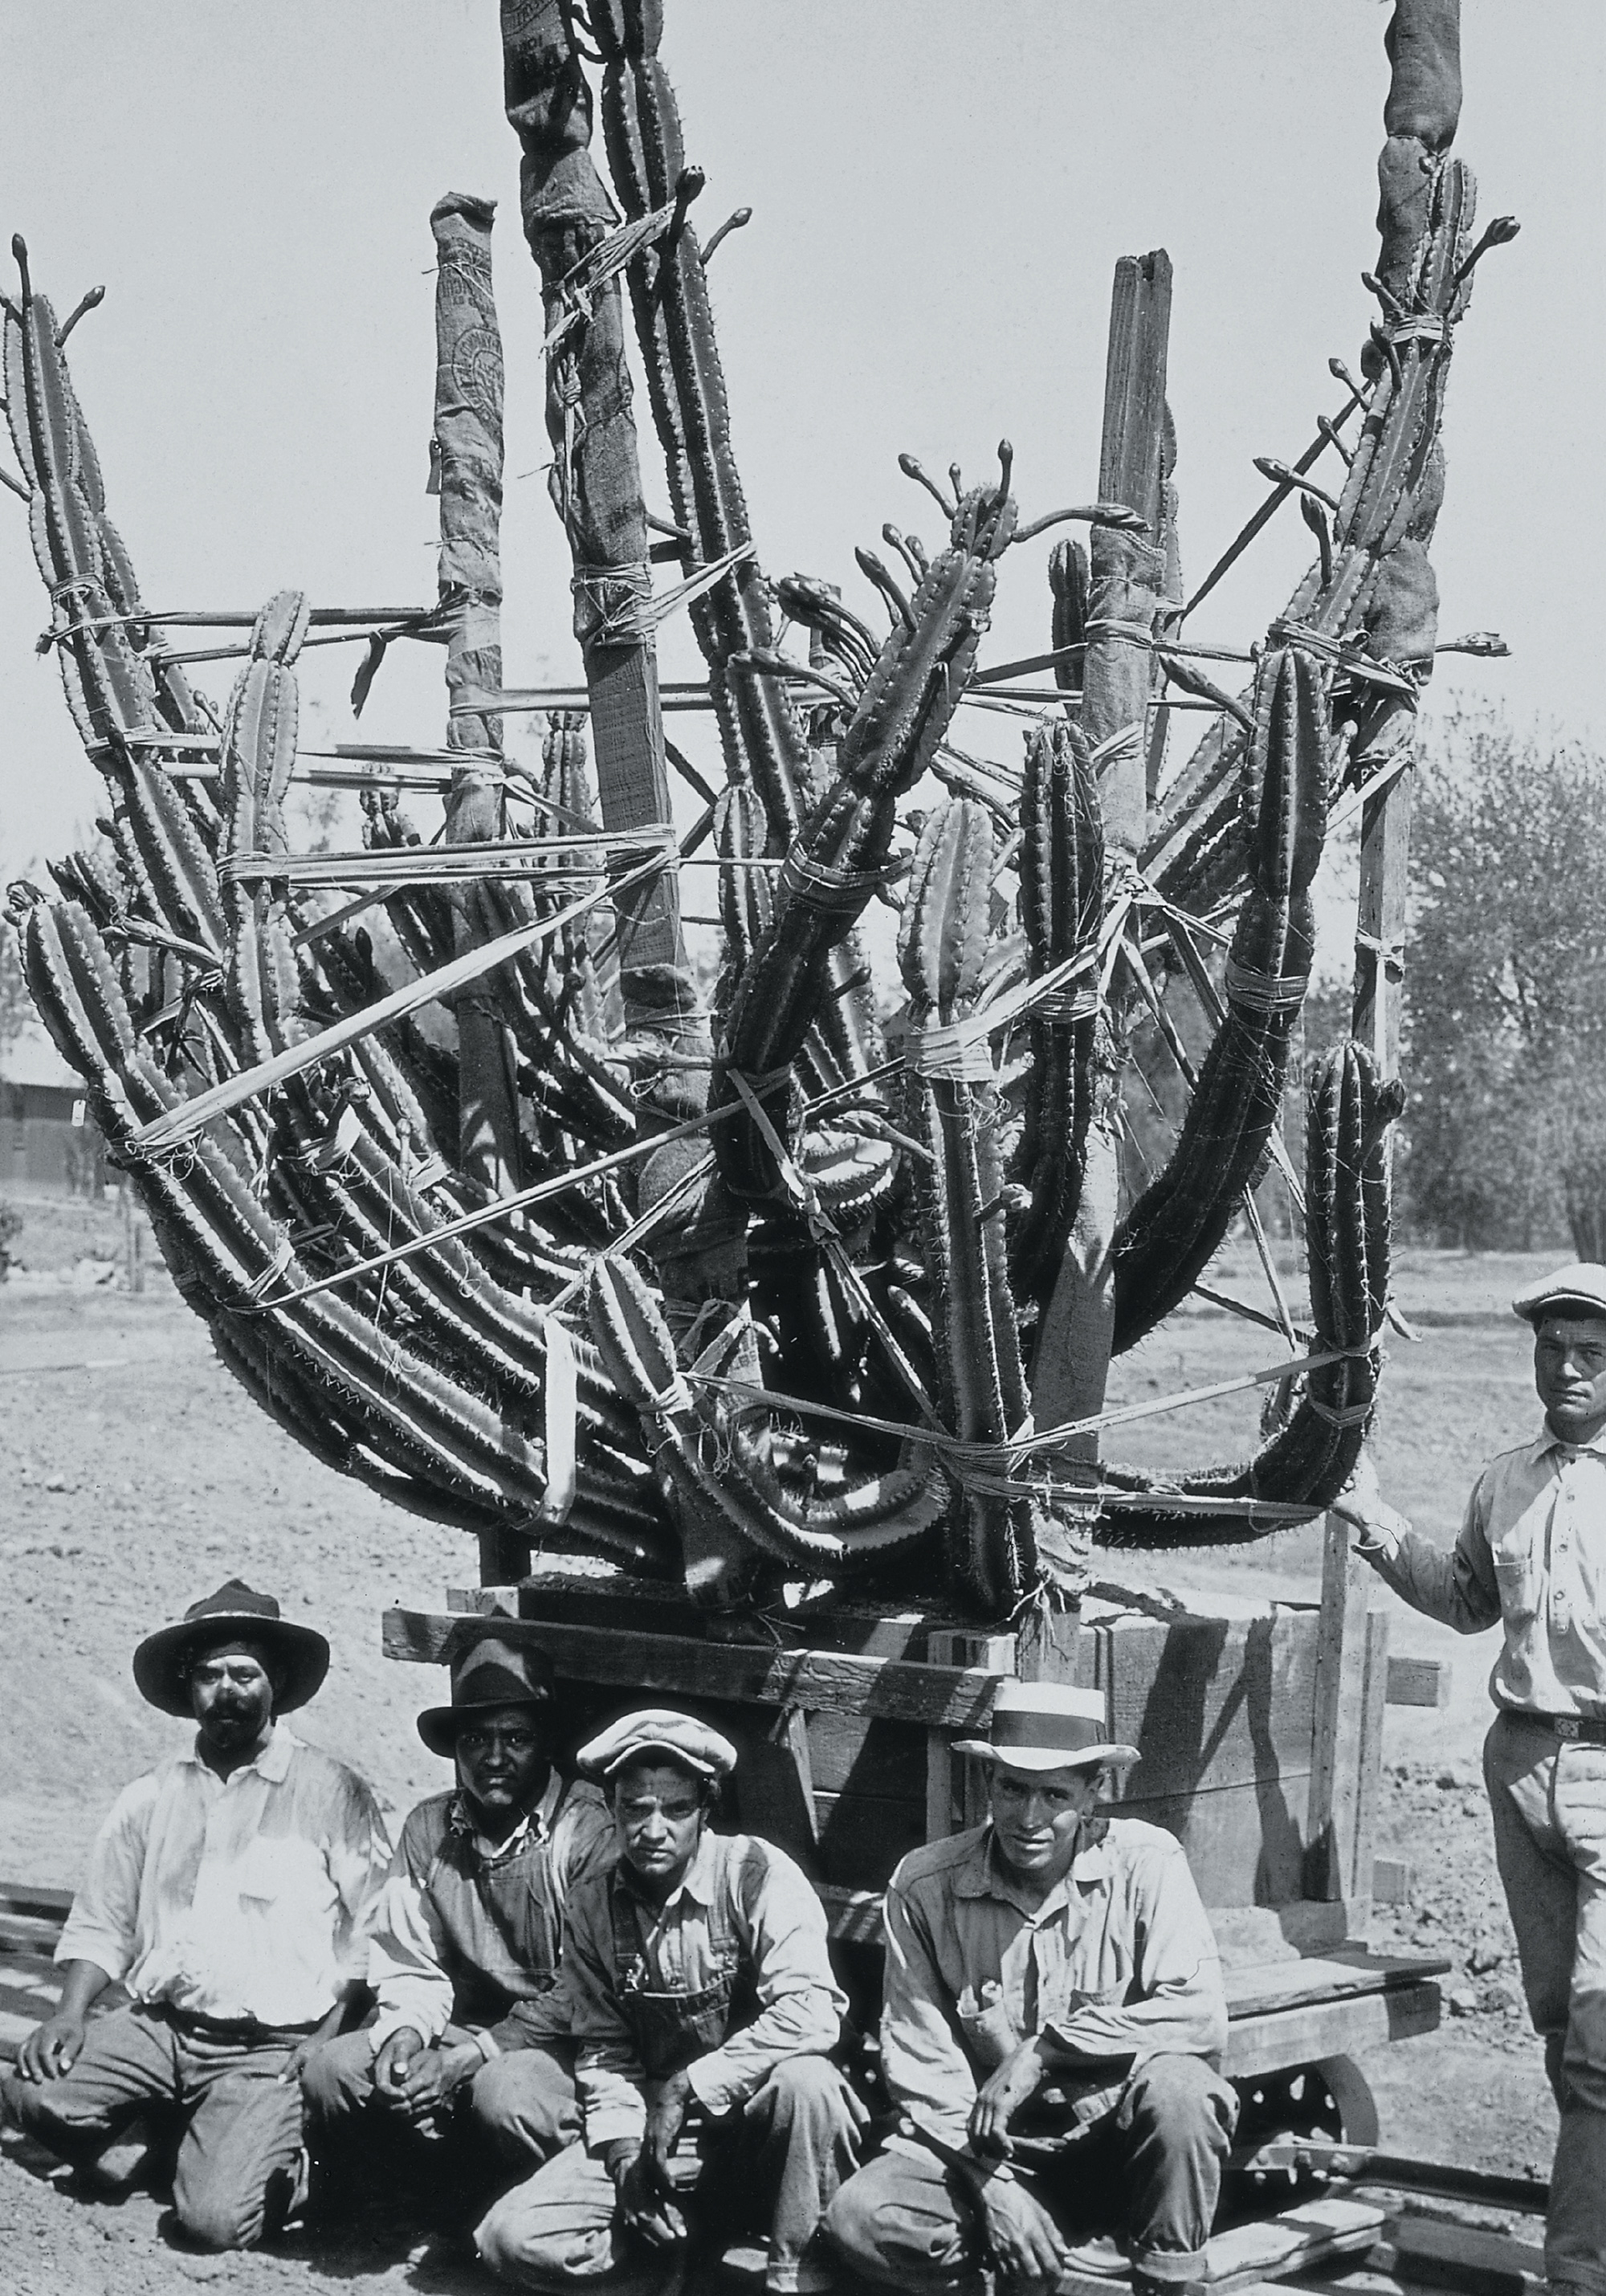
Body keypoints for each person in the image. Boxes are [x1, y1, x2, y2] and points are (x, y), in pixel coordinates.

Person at [1335, 1260, 1606, 2296]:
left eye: (1589, 1353)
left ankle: (1577, 2271)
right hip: (1520, 1768)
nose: (1568, 1369)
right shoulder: (1505, 1480)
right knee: (1557, 2023)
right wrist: (1368, 1513)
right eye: (1552, 1349)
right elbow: (1458, 1599)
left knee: (1596, 2030)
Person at [2, 1579, 389, 2252]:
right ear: (188, 1688)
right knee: (34, 2093)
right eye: (209, 1674)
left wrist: (325, 2037)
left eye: (245, 1672)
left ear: (276, 1683)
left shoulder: (331, 1790)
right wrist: (67, 2013)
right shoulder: (151, 1794)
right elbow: (103, 1920)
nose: (227, 1690)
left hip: (273, 2045)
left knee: (211, 2221)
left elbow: (380, 1934)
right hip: (165, 2029)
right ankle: (172, 2133)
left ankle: (298, 2160)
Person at [825, 1681, 1234, 2296]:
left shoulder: (1147, 1862)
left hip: (1110, 2137)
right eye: (1012, 1787)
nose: (1028, 1817)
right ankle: (1033, 2265)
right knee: (860, 2218)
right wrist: (996, 2187)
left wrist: (1044, 2048)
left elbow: (1198, 2015)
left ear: (1095, 1792)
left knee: (1183, 2090)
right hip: (983, 2147)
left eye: (1055, 1794)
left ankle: (1164, 2282)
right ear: (987, 1783)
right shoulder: (925, 1884)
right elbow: (920, 2062)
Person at [475, 1707, 865, 2296]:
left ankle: (797, 2276)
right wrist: (626, 2154)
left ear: (706, 1809)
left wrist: (692, 2083)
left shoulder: (756, 1875)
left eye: (676, 1808)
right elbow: (603, 2048)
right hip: (666, 2136)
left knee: (809, 2082)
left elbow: (812, 2007)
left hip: (759, 2133)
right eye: (636, 1807)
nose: (653, 1829)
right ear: (611, 1807)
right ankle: (684, 2252)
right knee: (510, 2238)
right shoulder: (592, 1903)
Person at [300, 1633, 613, 2199]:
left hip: (565, 2042)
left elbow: (587, 1989)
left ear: (545, 1744)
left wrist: (473, 2056)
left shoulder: (585, 1829)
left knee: (504, 2096)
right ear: (455, 1748)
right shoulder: (429, 1828)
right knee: (336, 2070)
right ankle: (431, 2197)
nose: (494, 1758)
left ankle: (537, 2206)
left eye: (516, 1737)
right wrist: (405, 2032)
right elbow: (410, 1961)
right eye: (476, 1739)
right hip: (467, 2027)